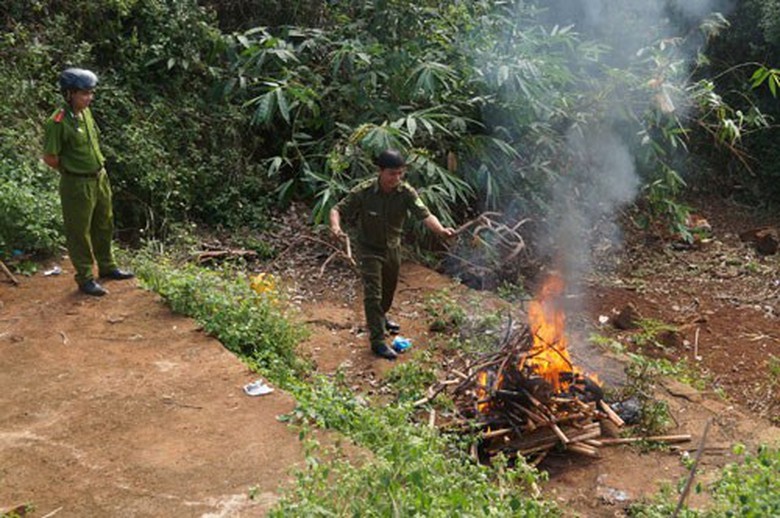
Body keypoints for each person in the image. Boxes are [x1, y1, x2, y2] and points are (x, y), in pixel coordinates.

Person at [330, 149, 455, 359]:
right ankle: (378, 341)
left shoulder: (406, 193)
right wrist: (336, 228)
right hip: (369, 249)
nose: (396, 178)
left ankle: (381, 317)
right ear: (380, 171)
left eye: (400, 173)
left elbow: (425, 214)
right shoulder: (365, 191)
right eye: (391, 173)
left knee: (388, 292)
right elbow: (337, 209)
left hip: (392, 249)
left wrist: (441, 230)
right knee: (373, 294)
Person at [42, 67, 134, 296]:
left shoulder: (86, 113)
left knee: (104, 223)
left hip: (99, 177)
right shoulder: (57, 122)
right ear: (69, 94)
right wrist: (72, 171)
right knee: (79, 231)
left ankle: (107, 266)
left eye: (91, 93)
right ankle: (85, 277)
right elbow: (50, 157)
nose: (89, 97)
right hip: (77, 183)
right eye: (84, 93)